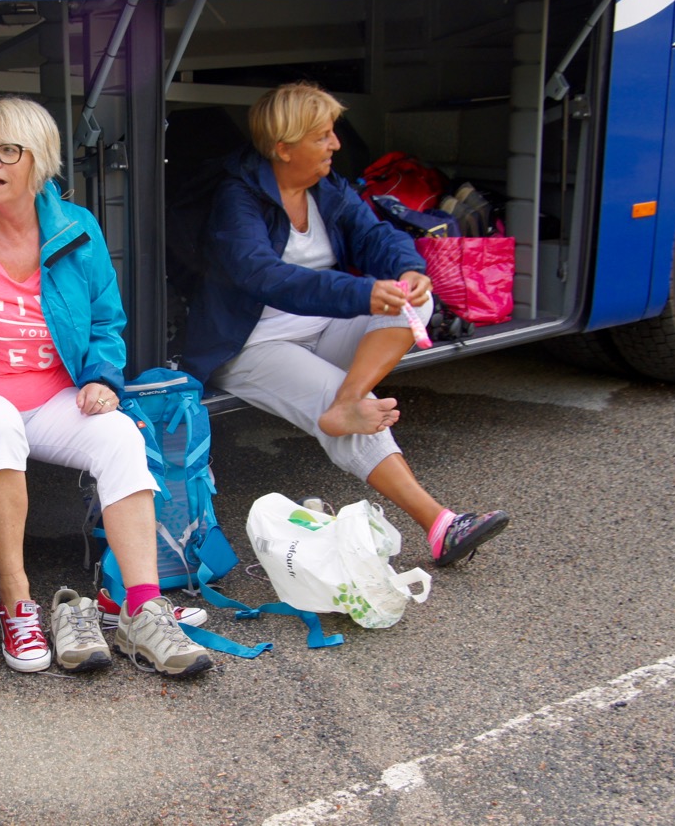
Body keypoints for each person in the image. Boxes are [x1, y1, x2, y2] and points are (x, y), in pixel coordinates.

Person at [0, 96, 212, 678]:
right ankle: (17, 606)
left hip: (51, 393)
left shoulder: (76, 230)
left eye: (8, 150)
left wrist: (102, 379)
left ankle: (141, 608)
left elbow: (107, 322)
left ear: (41, 162)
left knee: (118, 437)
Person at [182, 82, 509, 565]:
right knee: (349, 406)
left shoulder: (327, 188)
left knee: (412, 303)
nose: (336, 144)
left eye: (332, 133)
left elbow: (379, 233)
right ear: (283, 147)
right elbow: (262, 275)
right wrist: (360, 293)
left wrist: (408, 271)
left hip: (320, 326)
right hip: (252, 343)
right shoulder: (239, 197)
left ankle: (349, 400)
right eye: (322, 136)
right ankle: (441, 526)